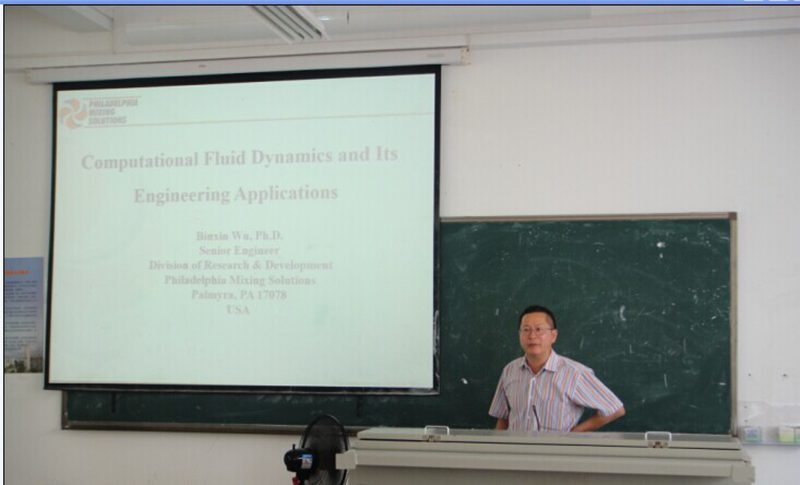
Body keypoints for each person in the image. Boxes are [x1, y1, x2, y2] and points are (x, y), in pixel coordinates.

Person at [489, 304, 625, 432]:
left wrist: (573, 435)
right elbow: (502, 417)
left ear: (553, 335)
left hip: (555, 449)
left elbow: (615, 409)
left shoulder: (574, 373)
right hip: (516, 448)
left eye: (539, 329)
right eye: (526, 329)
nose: (532, 336)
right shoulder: (510, 370)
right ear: (520, 334)